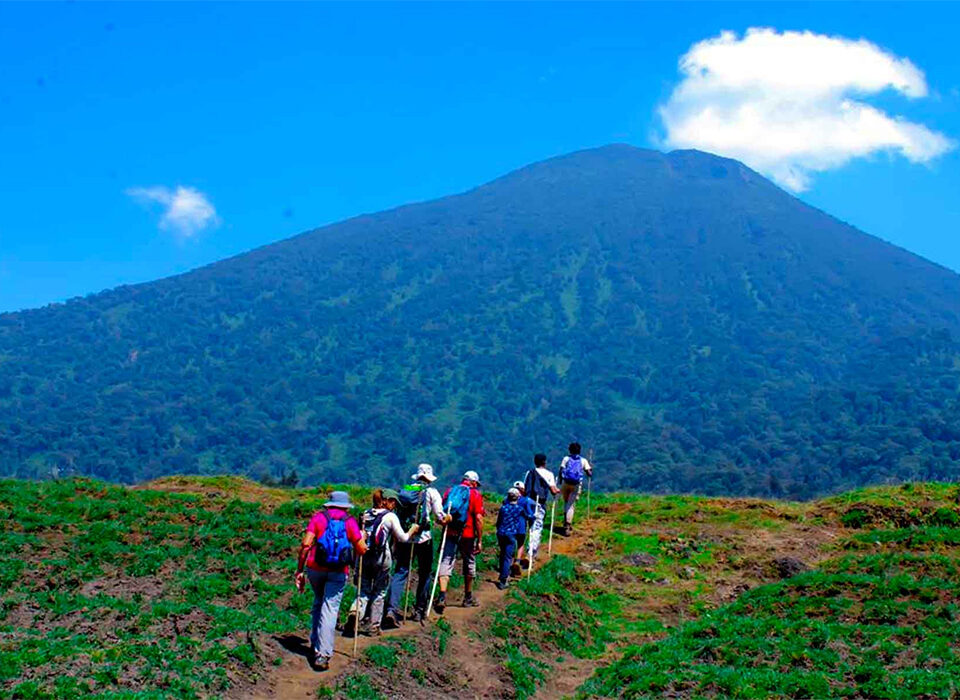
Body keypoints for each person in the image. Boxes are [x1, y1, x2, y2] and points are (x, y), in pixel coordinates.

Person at [295, 490, 366, 671]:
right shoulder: (349, 522)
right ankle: (323, 654)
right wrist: (362, 537)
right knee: (330, 608)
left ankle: (315, 641)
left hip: (315, 569)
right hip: (337, 572)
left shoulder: (319, 518)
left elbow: (305, 544)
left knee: (319, 602)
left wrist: (299, 570)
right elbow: (362, 549)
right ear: (346, 506)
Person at [383, 463, 449, 627]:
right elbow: (440, 516)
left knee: (401, 572)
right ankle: (419, 609)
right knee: (425, 573)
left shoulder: (405, 489)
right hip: (423, 538)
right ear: (429, 478)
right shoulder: (432, 492)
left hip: (405, 536)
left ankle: (391, 609)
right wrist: (447, 519)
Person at [352, 488, 420, 637]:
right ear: (387, 501)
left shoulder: (365, 514)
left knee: (363, 589)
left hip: (363, 556)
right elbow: (402, 538)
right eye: (394, 502)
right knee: (379, 591)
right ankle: (374, 626)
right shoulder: (390, 517)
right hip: (381, 558)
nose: (395, 505)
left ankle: (356, 612)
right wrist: (412, 530)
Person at [435, 470, 485, 612]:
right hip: (468, 534)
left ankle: (442, 596)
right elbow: (479, 518)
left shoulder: (450, 491)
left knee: (446, 561)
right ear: (474, 482)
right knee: (469, 561)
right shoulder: (475, 494)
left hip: (450, 532)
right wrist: (479, 539)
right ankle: (468, 597)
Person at [523, 453, 560, 562]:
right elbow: (553, 490)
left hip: (528, 503)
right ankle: (531, 553)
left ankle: (526, 552)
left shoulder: (529, 473)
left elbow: (525, 489)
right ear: (544, 462)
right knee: (537, 527)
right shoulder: (549, 474)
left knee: (529, 527)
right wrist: (557, 490)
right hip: (539, 504)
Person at [496, 487, 533, 589]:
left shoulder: (503, 508)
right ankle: (503, 580)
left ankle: (502, 573)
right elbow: (529, 516)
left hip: (501, 533)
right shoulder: (519, 509)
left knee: (502, 554)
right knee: (508, 557)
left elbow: (498, 521)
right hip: (511, 534)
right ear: (517, 497)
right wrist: (533, 517)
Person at [557, 442, 593, 536]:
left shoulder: (566, 459)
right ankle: (567, 525)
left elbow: (561, 470)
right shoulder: (583, 460)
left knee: (566, 502)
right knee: (571, 504)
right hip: (576, 485)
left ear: (570, 450)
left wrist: (560, 481)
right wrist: (590, 470)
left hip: (566, 483)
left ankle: (565, 521)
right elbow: (589, 473)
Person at [512, 480, 537, 576]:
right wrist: (532, 517)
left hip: (509, 526)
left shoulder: (507, 499)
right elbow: (530, 514)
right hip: (521, 526)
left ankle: (510, 562)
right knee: (520, 544)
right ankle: (517, 561)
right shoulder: (526, 500)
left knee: (511, 543)